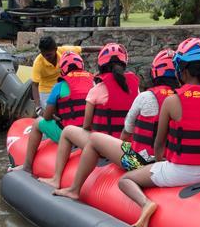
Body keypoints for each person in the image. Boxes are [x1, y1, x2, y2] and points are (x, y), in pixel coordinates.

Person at [118, 37, 200, 227]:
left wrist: (160, 164)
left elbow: (159, 144)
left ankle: (146, 204)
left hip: (179, 173)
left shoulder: (173, 101)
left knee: (125, 180)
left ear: (182, 70)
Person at [46, 49, 178, 195]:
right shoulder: (181, 99)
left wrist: (117, 147)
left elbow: (88, 125)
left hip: (140, 162)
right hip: (173, 163)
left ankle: (63, 182)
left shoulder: (144, 97)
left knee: (73, 132)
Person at [13, 51, 93, 176]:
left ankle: (27, 166)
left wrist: (56, 114)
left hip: (69, 135)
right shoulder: (93, 82)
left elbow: (47, 116)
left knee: (37, 123)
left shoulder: (59, 86)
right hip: (89, 135)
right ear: (81, 66)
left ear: (63, 70)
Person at [88, 42, 140, 138]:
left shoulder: (96, 90)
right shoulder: (135, 88)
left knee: (69, 131)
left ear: (101, 65)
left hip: (103, 146)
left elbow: (86, 125)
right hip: (128, 146)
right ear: (123, 64)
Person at [30, 36, 83, 108]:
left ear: (55, 49)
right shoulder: (38, 63)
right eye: (43, 55)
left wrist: (102, 49)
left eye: (49, 55)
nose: (46, 57)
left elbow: (83, 49)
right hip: (46, 91)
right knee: (49, 114)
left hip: (62, 86)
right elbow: (35, 85)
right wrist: (38, 107)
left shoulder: (63, 51)